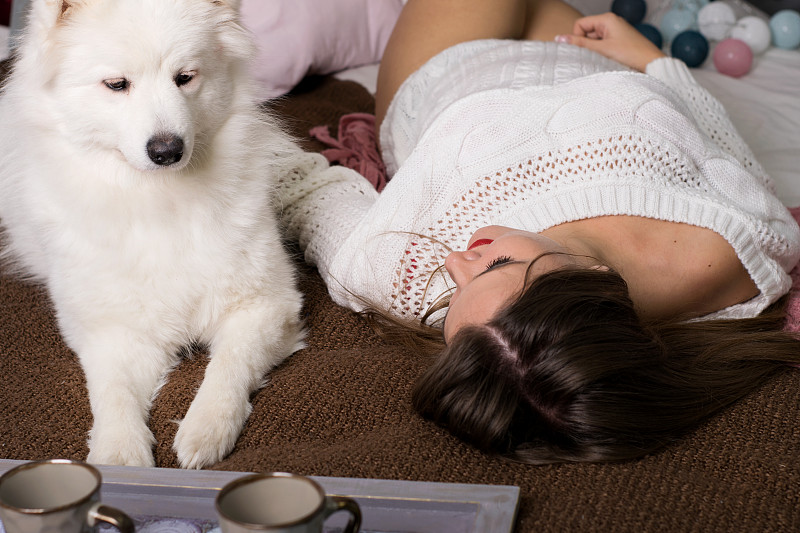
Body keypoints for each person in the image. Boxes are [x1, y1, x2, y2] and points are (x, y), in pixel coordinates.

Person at [277, 0, 800, 464]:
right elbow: (719, 146)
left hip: (447, 69)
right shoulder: (731, 250)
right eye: (498, 266)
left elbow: (300, 187)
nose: (457, 261)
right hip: (586, 61)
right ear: (596, 277)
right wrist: (657, 63)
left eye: (450, 302)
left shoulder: (401, 274)